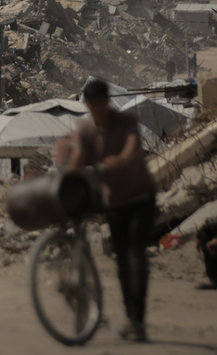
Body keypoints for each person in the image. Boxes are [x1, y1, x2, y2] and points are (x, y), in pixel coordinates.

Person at [66, 78, 157, 343]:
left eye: (101, 102)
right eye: (92, 103)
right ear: (87, 104)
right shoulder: (85, 131)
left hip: (141, 198)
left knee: (135, 255)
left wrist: (115, 162)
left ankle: (137, 319)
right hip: (115, 204)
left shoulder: (125, 121)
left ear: (108, 101)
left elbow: (130, 151)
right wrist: (65, 177)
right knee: (122, 264)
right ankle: (131, 317)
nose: (98, 107)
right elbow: (76, 160)